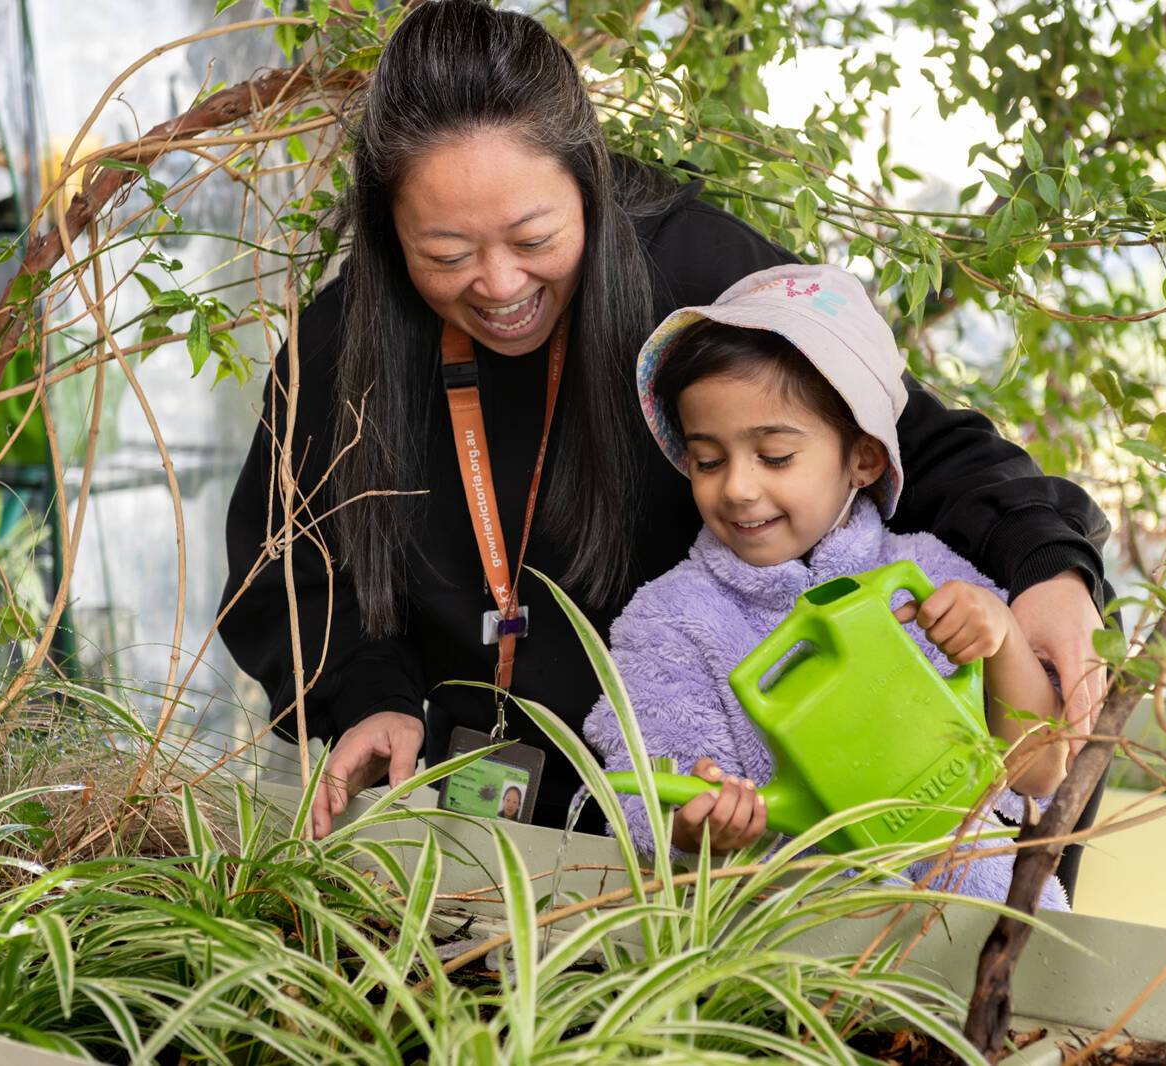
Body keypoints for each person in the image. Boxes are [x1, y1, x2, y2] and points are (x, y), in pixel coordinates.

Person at [217, 0, 1111, 893]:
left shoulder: (699, 281)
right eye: (445, 252)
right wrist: (361, 692)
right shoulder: (343, 341)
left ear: (590, 183)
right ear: (389, 232)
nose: (497, 284)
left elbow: (901, 438)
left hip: (700, 844)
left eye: (534, 239)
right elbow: (276, 569)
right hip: (457, 823)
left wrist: (1049, 572)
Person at [583, 263, 1070, 909]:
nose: (737, 487)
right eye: (707, 460)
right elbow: (639, 797)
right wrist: (697, 831)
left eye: (775, 456)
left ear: (864, 459)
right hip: (778, 948)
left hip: (977, 932)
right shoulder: (667, 621)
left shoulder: (933, 579)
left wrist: (1003, 638)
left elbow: (1037, 772)